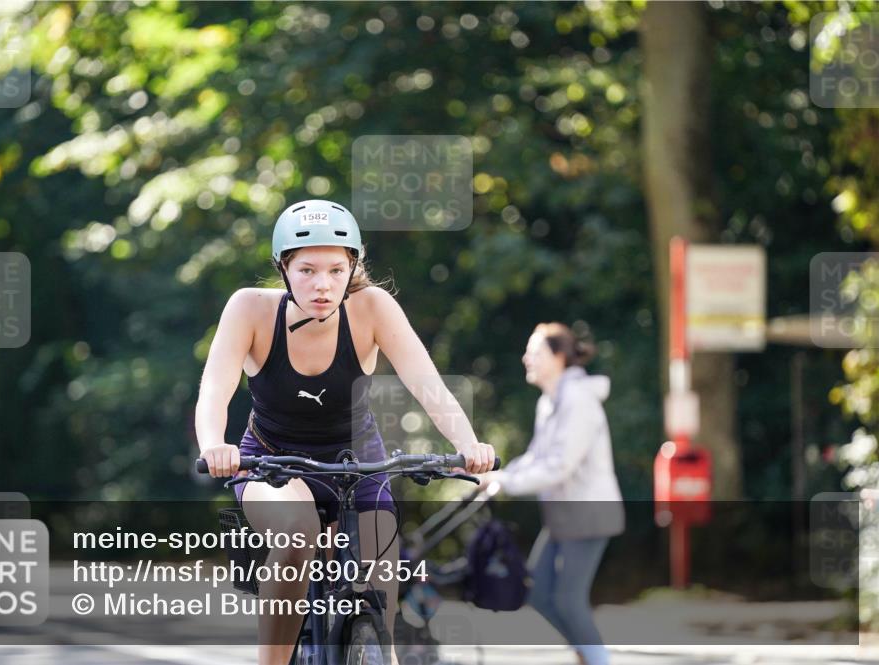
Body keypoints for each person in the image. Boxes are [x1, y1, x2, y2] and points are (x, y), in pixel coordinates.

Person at [195, 199, 496, 665]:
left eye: (337, 270)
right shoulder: (250, 309)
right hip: (272, 462)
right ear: (283, 268)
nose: (323, 284)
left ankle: (380, 652)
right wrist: (215, 444)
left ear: (353, 265)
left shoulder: (372, 307)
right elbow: (216, 387)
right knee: (297, 535)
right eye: (308, 270)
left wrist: (467, 444)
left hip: (357, 462)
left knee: (381, 569)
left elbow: (426, 383)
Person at [479, 323, 624, 665]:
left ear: (559, 357)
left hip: (588, 515)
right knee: (539, 592)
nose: (526, 358)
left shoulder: (578, 401)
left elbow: (560, 465)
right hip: (563, 516)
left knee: (569, 599)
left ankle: (597, 659)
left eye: (536, 352)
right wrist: (498, 476)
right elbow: (536, 457)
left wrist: (507, 484)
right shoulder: (550, 401)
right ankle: (587, 653)